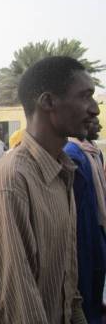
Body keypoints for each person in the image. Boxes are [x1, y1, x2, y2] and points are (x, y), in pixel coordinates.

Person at [0, 56, 99, 323]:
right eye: (85, 96)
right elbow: (20, 304)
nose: (94, 109)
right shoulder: (11, 183)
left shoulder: (63, 172)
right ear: (48, 102)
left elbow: (69, 287)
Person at [64, 117, 106, 324]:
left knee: (96, 281)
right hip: (82, 232)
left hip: (96, 227)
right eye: (93, 121)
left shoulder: (93, 152)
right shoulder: (73, 154)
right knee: (85, 284)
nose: (98, 125)